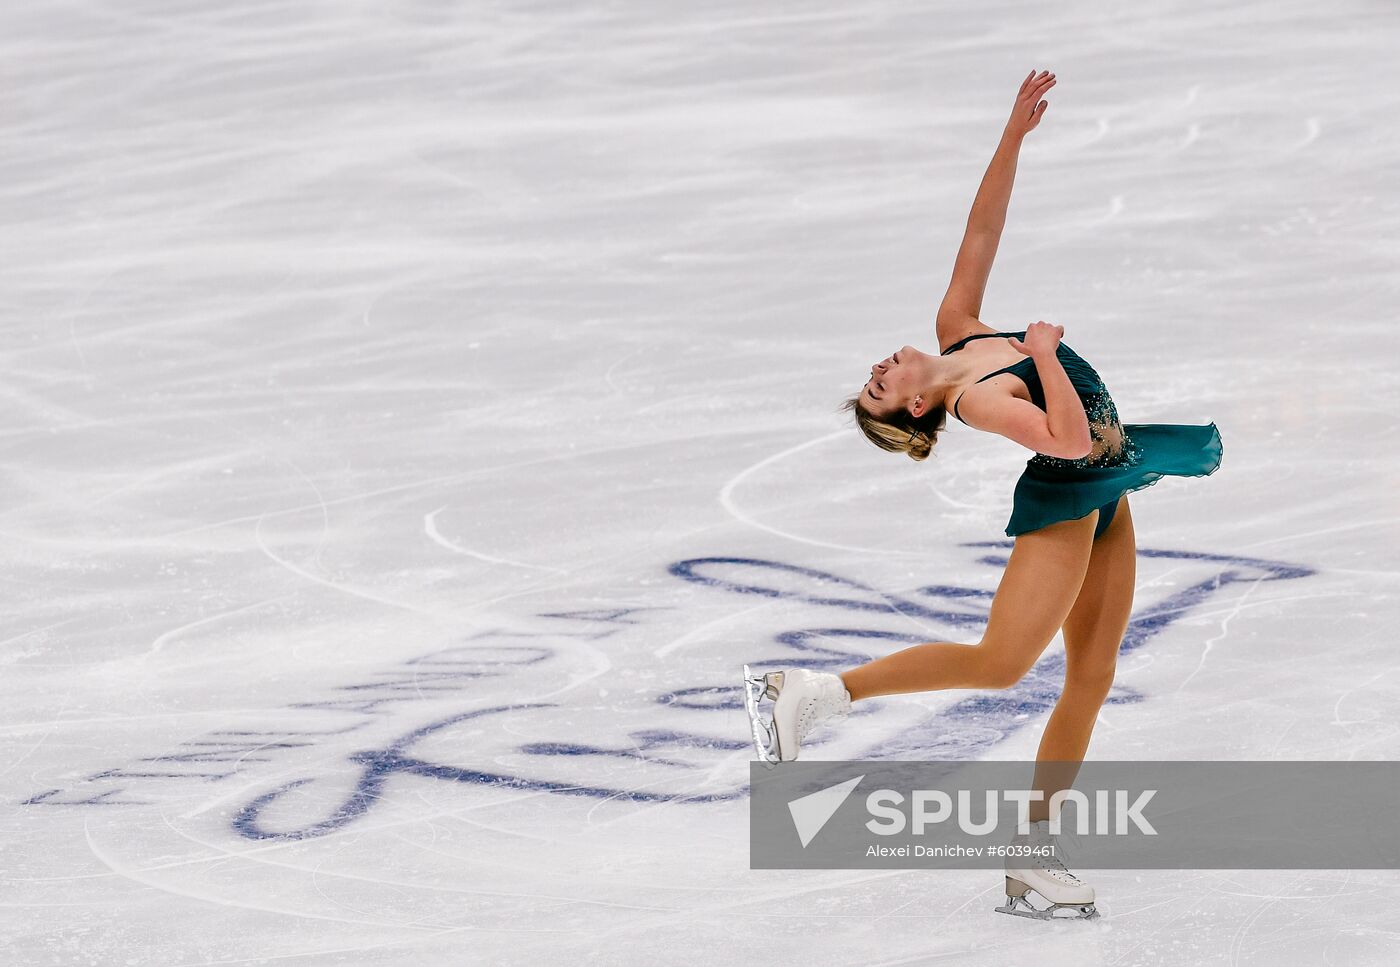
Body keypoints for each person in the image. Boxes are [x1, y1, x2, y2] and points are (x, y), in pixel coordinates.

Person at [742, 69, 1223, 921]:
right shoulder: (977, 395)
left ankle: (1032, 853)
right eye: (882, 388)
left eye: (876, 376)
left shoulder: (958, 328)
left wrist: (1010, 139)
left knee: (1093, 675)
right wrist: (1040, 352)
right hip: (1070, 494)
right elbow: (1066, 441)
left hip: (1109, 486)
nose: (883, 370)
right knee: (1003, 663)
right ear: (921, 406)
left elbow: (981, 228)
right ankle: (812, 693)